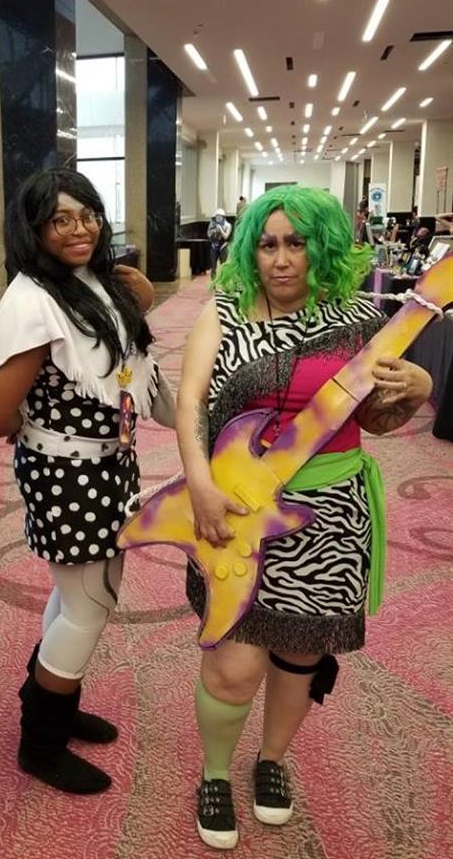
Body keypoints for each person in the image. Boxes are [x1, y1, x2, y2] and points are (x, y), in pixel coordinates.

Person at [176, 185, 432, 850]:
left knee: (299, 652)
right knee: (234, 664)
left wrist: (420, 388)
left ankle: (271, 761)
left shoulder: (359, 317)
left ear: (322, 247)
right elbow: (190, 401)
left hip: (331, 518)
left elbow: (377, 419)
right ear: (250, 250)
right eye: (268, 245)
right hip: (238, 511)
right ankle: (214, 772)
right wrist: (198, 483)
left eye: (297, 243)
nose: (282, 259)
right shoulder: (224, 310)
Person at [0, 167, 163, 795]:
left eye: (88, 215)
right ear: (33, 229)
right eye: (60, 219)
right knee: (90, 606)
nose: (79, 229)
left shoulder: (89, 283)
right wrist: (48, 432)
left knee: (75, 598)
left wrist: (139, 303)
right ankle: (41, 741)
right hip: (68, 471)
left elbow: (120, 367)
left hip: (105, 464)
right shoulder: (33, 300)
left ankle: (51, 694)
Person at [207, 208, 232, 279]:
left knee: (223, 266)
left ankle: (223, 281)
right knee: (213, 266)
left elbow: (226, 236)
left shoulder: (228, 225)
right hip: (214, 246)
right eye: (217, 217)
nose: (218, 219)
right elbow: (209, 235)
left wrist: (220, 229)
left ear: (223, 217)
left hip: (223, 247)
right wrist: (214, 231)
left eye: (220, 217)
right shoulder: (212, 225)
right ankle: (213, 281)